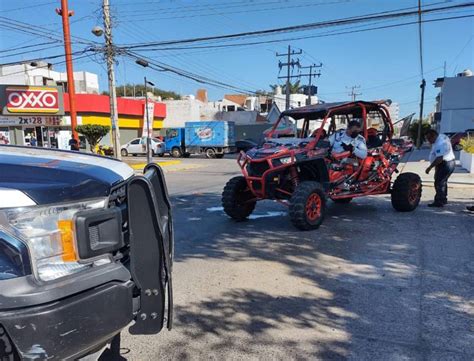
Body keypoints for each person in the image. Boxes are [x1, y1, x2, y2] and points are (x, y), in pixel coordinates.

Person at [425, 129, 455, 207]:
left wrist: (430, 167)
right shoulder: (442, 136)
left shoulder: (440, 143)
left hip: (446, 164)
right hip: (446, 163)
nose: (428, 141)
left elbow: (439, 159)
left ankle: (439, 201)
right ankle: (443, 199)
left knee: (439, 182)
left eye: (429, 139)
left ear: (434, 136)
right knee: (442, 181)